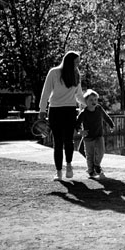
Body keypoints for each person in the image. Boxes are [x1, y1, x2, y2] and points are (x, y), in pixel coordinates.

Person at [39, 51, 86, 181]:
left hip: (69, 110)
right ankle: (59, 171)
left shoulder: (76, 74)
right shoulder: (54, 72)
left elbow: (79, 95)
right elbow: (46, 92)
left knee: (67, 141)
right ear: (69, 61)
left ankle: (69, 165)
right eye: (76, 62)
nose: (78, 65)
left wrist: (89, 105)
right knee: (58, 142)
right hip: (55, 110)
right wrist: (42, 110)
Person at [75, 89, 115, 179]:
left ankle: (97, 165)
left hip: (99, 135)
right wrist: (81, 131)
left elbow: (106, 117)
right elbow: (77, 124)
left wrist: (111, 124)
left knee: (101, 151)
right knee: (89, 155)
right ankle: (90, 171)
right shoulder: (84, 113)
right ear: (86, 102)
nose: (94, 102)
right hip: (88, 137)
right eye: (91, 100)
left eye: (95, 99)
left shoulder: (99, 109)